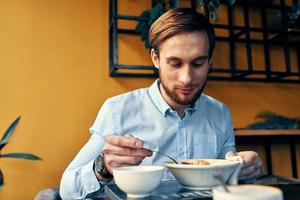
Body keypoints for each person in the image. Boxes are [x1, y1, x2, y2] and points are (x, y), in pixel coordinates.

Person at [60, 7, 263, 199]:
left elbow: (227, 170)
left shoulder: (220, 113)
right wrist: (103, 167)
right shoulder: (117, 111)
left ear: (209, 62)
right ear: (155, 59)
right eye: (175, 63)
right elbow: (66, 189)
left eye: (198, 63)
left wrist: (243, 167)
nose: (186, 78)